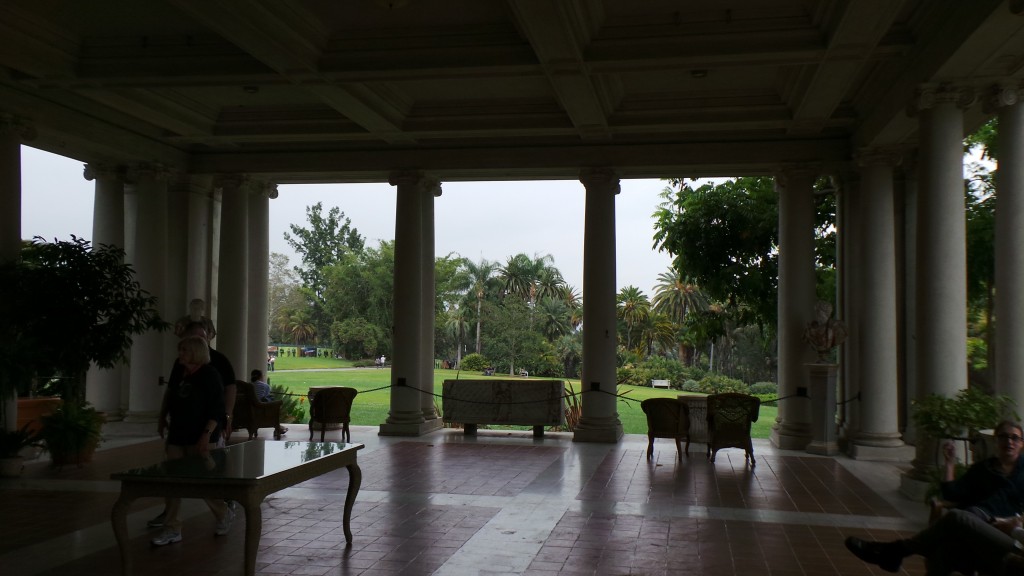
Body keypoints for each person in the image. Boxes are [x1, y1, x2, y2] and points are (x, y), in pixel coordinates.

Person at [845, 421, 1024, 574]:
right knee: (945, 551)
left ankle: (894, 551)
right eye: (1003, 437)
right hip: (978, 525)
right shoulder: (984, 469)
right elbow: (952, 493)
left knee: (956, 518)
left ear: (1022, 443)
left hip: (1010, 537)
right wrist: (949, 463)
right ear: (996, 441)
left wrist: (1015, 521)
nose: (1009, 442)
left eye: (1015, 438)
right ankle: (893, 554)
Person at [149, 336, 233, 546]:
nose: (180, 354)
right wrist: (162, 418)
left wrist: (206, 435)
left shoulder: (210, 375)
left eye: (184, 350)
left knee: (203, 482)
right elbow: (170, 398)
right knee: (172, 483)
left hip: (202, 437)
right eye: (180, 350)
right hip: (178, 435)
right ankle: (172, 528)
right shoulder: (179, 372)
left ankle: (223, 512)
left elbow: (217, 409)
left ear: (196, 352)